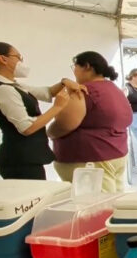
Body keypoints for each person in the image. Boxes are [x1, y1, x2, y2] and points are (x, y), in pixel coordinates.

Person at [0, 42, 80, 179]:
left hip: (27, 157)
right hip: (19, 160)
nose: (21, 61)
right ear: (2, 59)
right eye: (18, 57)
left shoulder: (13, 85)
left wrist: (64, 82)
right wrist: (57, 107)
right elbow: (27, 127)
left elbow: (46, 92)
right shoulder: (3, 90)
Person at [49, 52, 132, 193]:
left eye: (74, 67)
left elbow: (66, 124)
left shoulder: (84, 91)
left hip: (91, 159)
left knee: (96, 208)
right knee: (112, 202)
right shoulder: (114, 89)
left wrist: (49, 132)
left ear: (86, 66)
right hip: (115, 153)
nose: (74, 72)